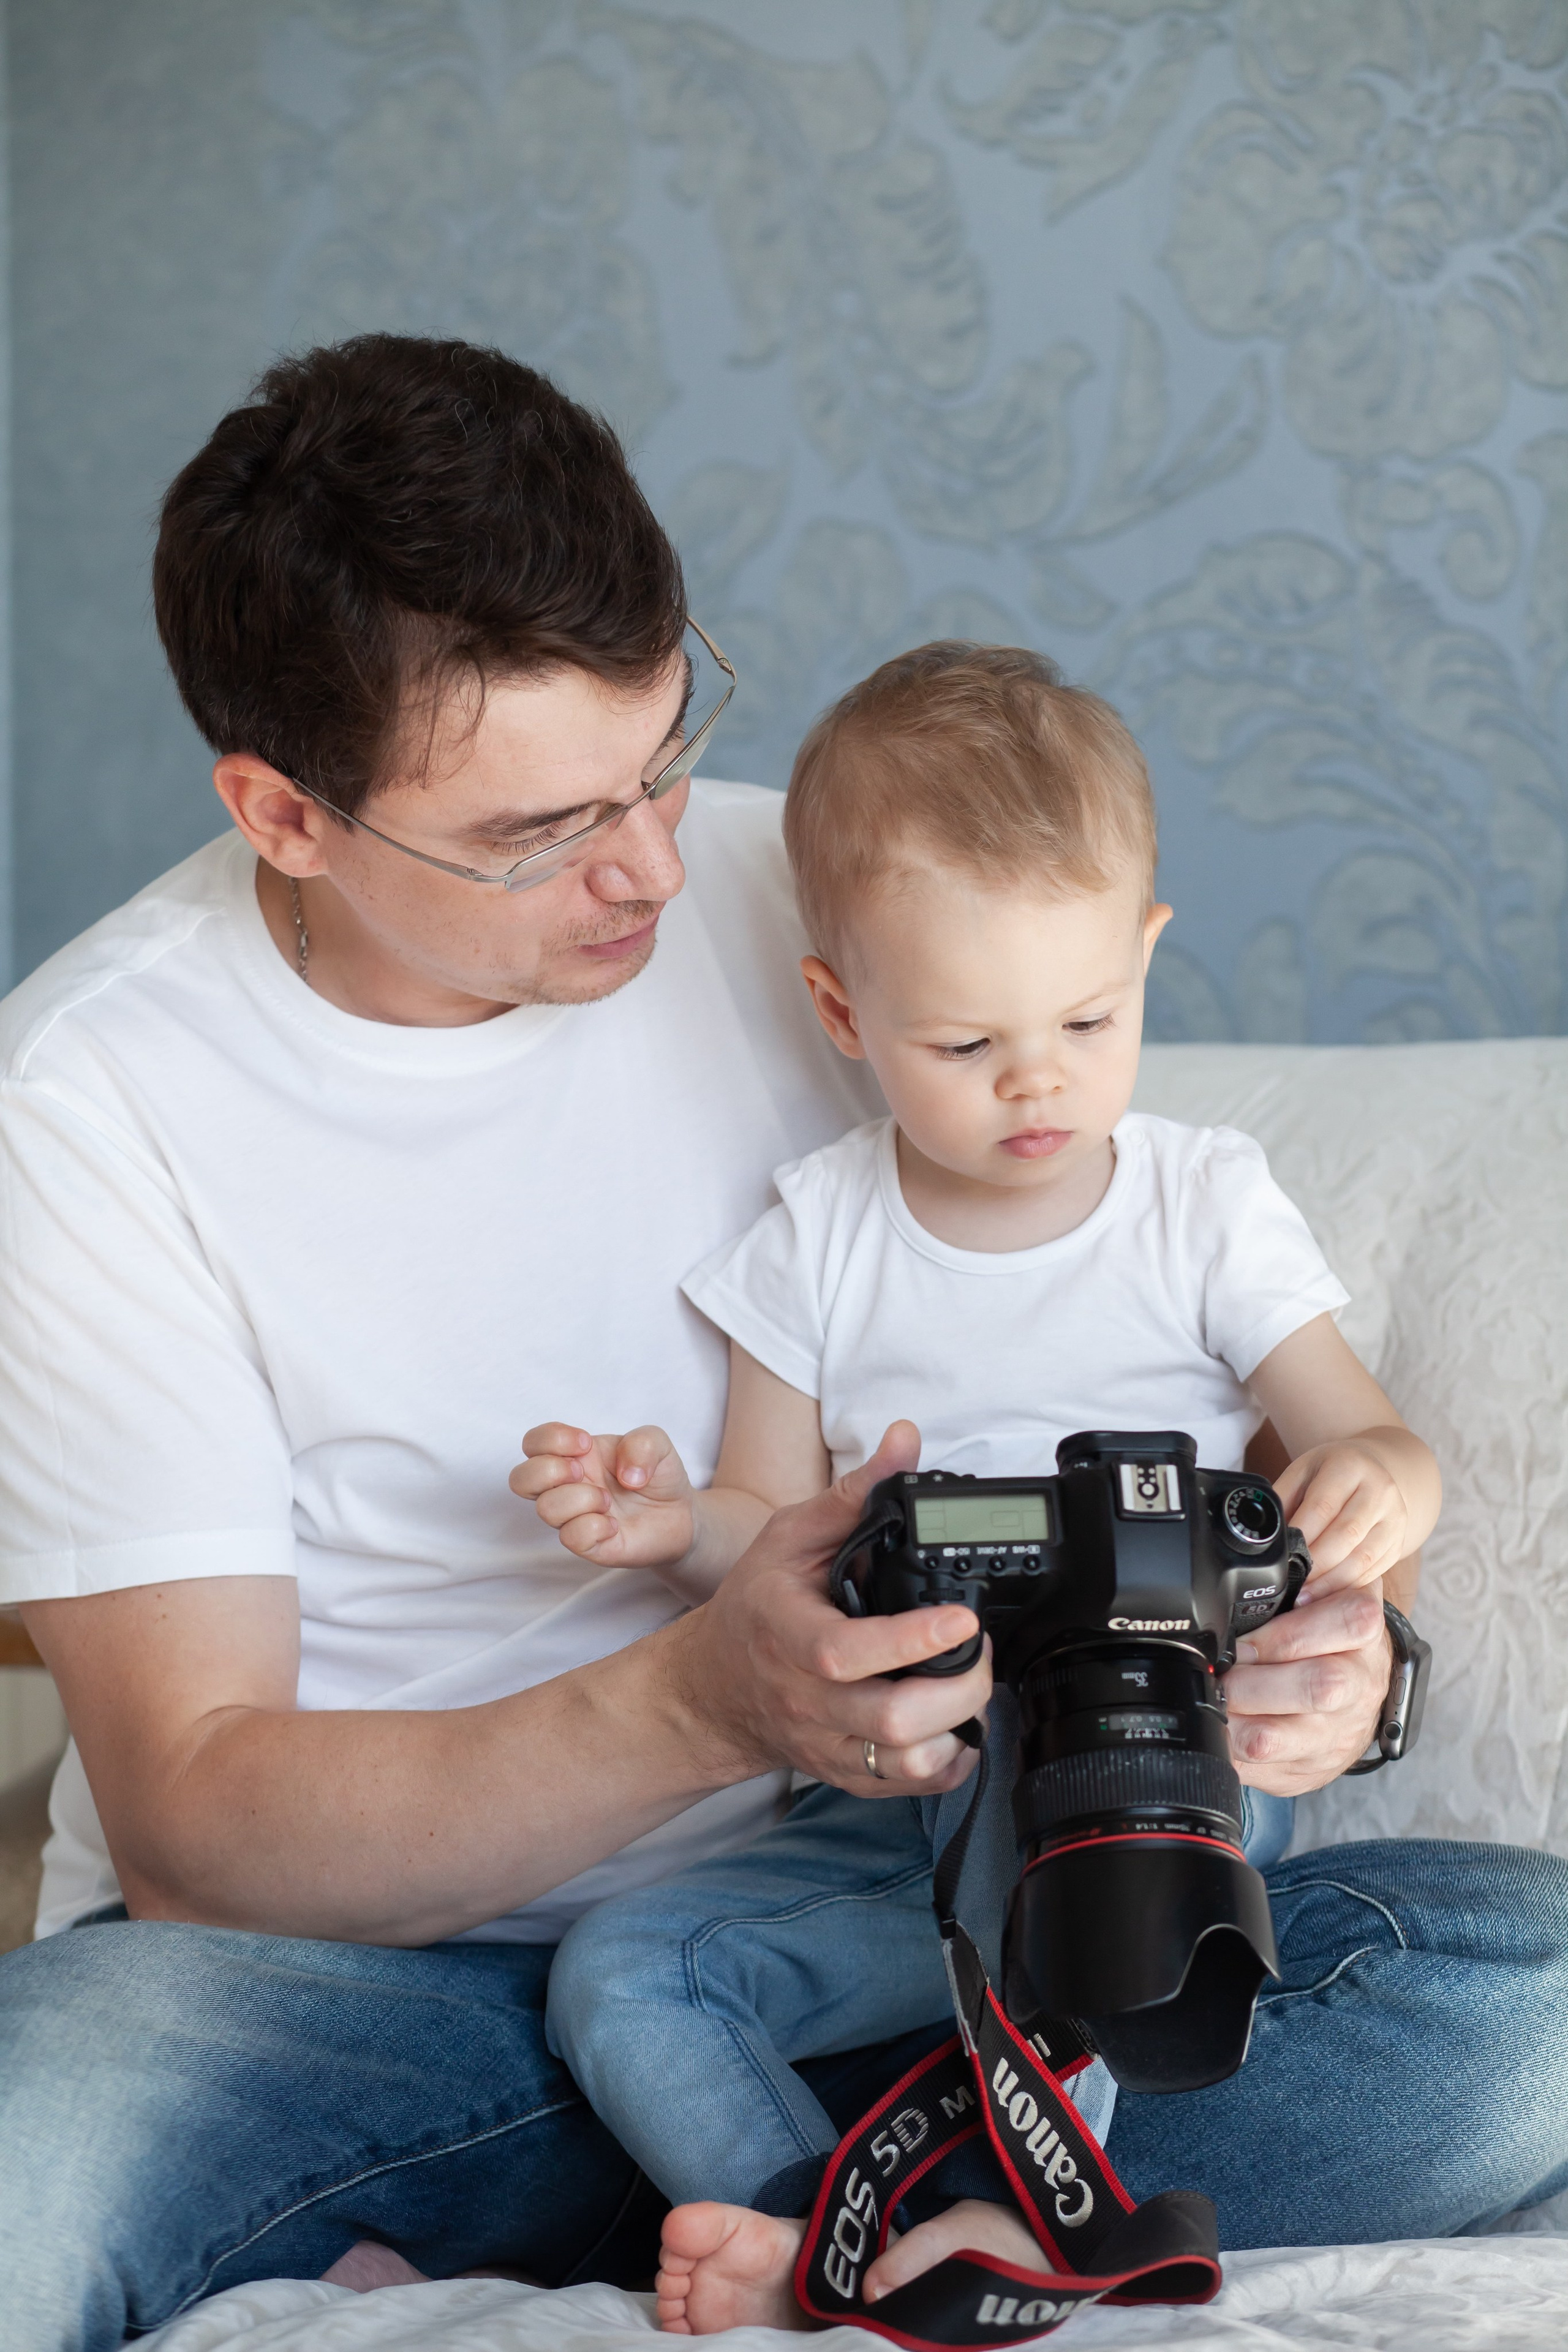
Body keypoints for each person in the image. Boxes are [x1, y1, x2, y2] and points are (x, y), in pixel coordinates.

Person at [0, 336, 1459, 2346]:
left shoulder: (835, 892)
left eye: (668, 748)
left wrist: (1347, 1664)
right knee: (39, 2142)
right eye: (541, 830)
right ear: (286, 814)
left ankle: (774, 2196)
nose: (658, 870)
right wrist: (709, 1705)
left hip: (883, 1920)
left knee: (1527, 1997)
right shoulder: (88, 1107)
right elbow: (197, 1826)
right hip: (372, 1996)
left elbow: (1172, 1346)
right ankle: (884, 2183)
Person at [522, 646, 1566, 2337]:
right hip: (890, 1803)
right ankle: (822, 2234)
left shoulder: (1201, 1208)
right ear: (843, 1014)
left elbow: (1372, 1444)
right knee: (625, 1972)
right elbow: (766, 1536)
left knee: (1090, 1860)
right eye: (964, 1041)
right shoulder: (816, 1237)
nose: (1037, 1081)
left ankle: (1015, 2214)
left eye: (1088, 1021)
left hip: (1154, 1766)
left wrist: (1375, 1490)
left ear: (1146, 954)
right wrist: (665, 1528)